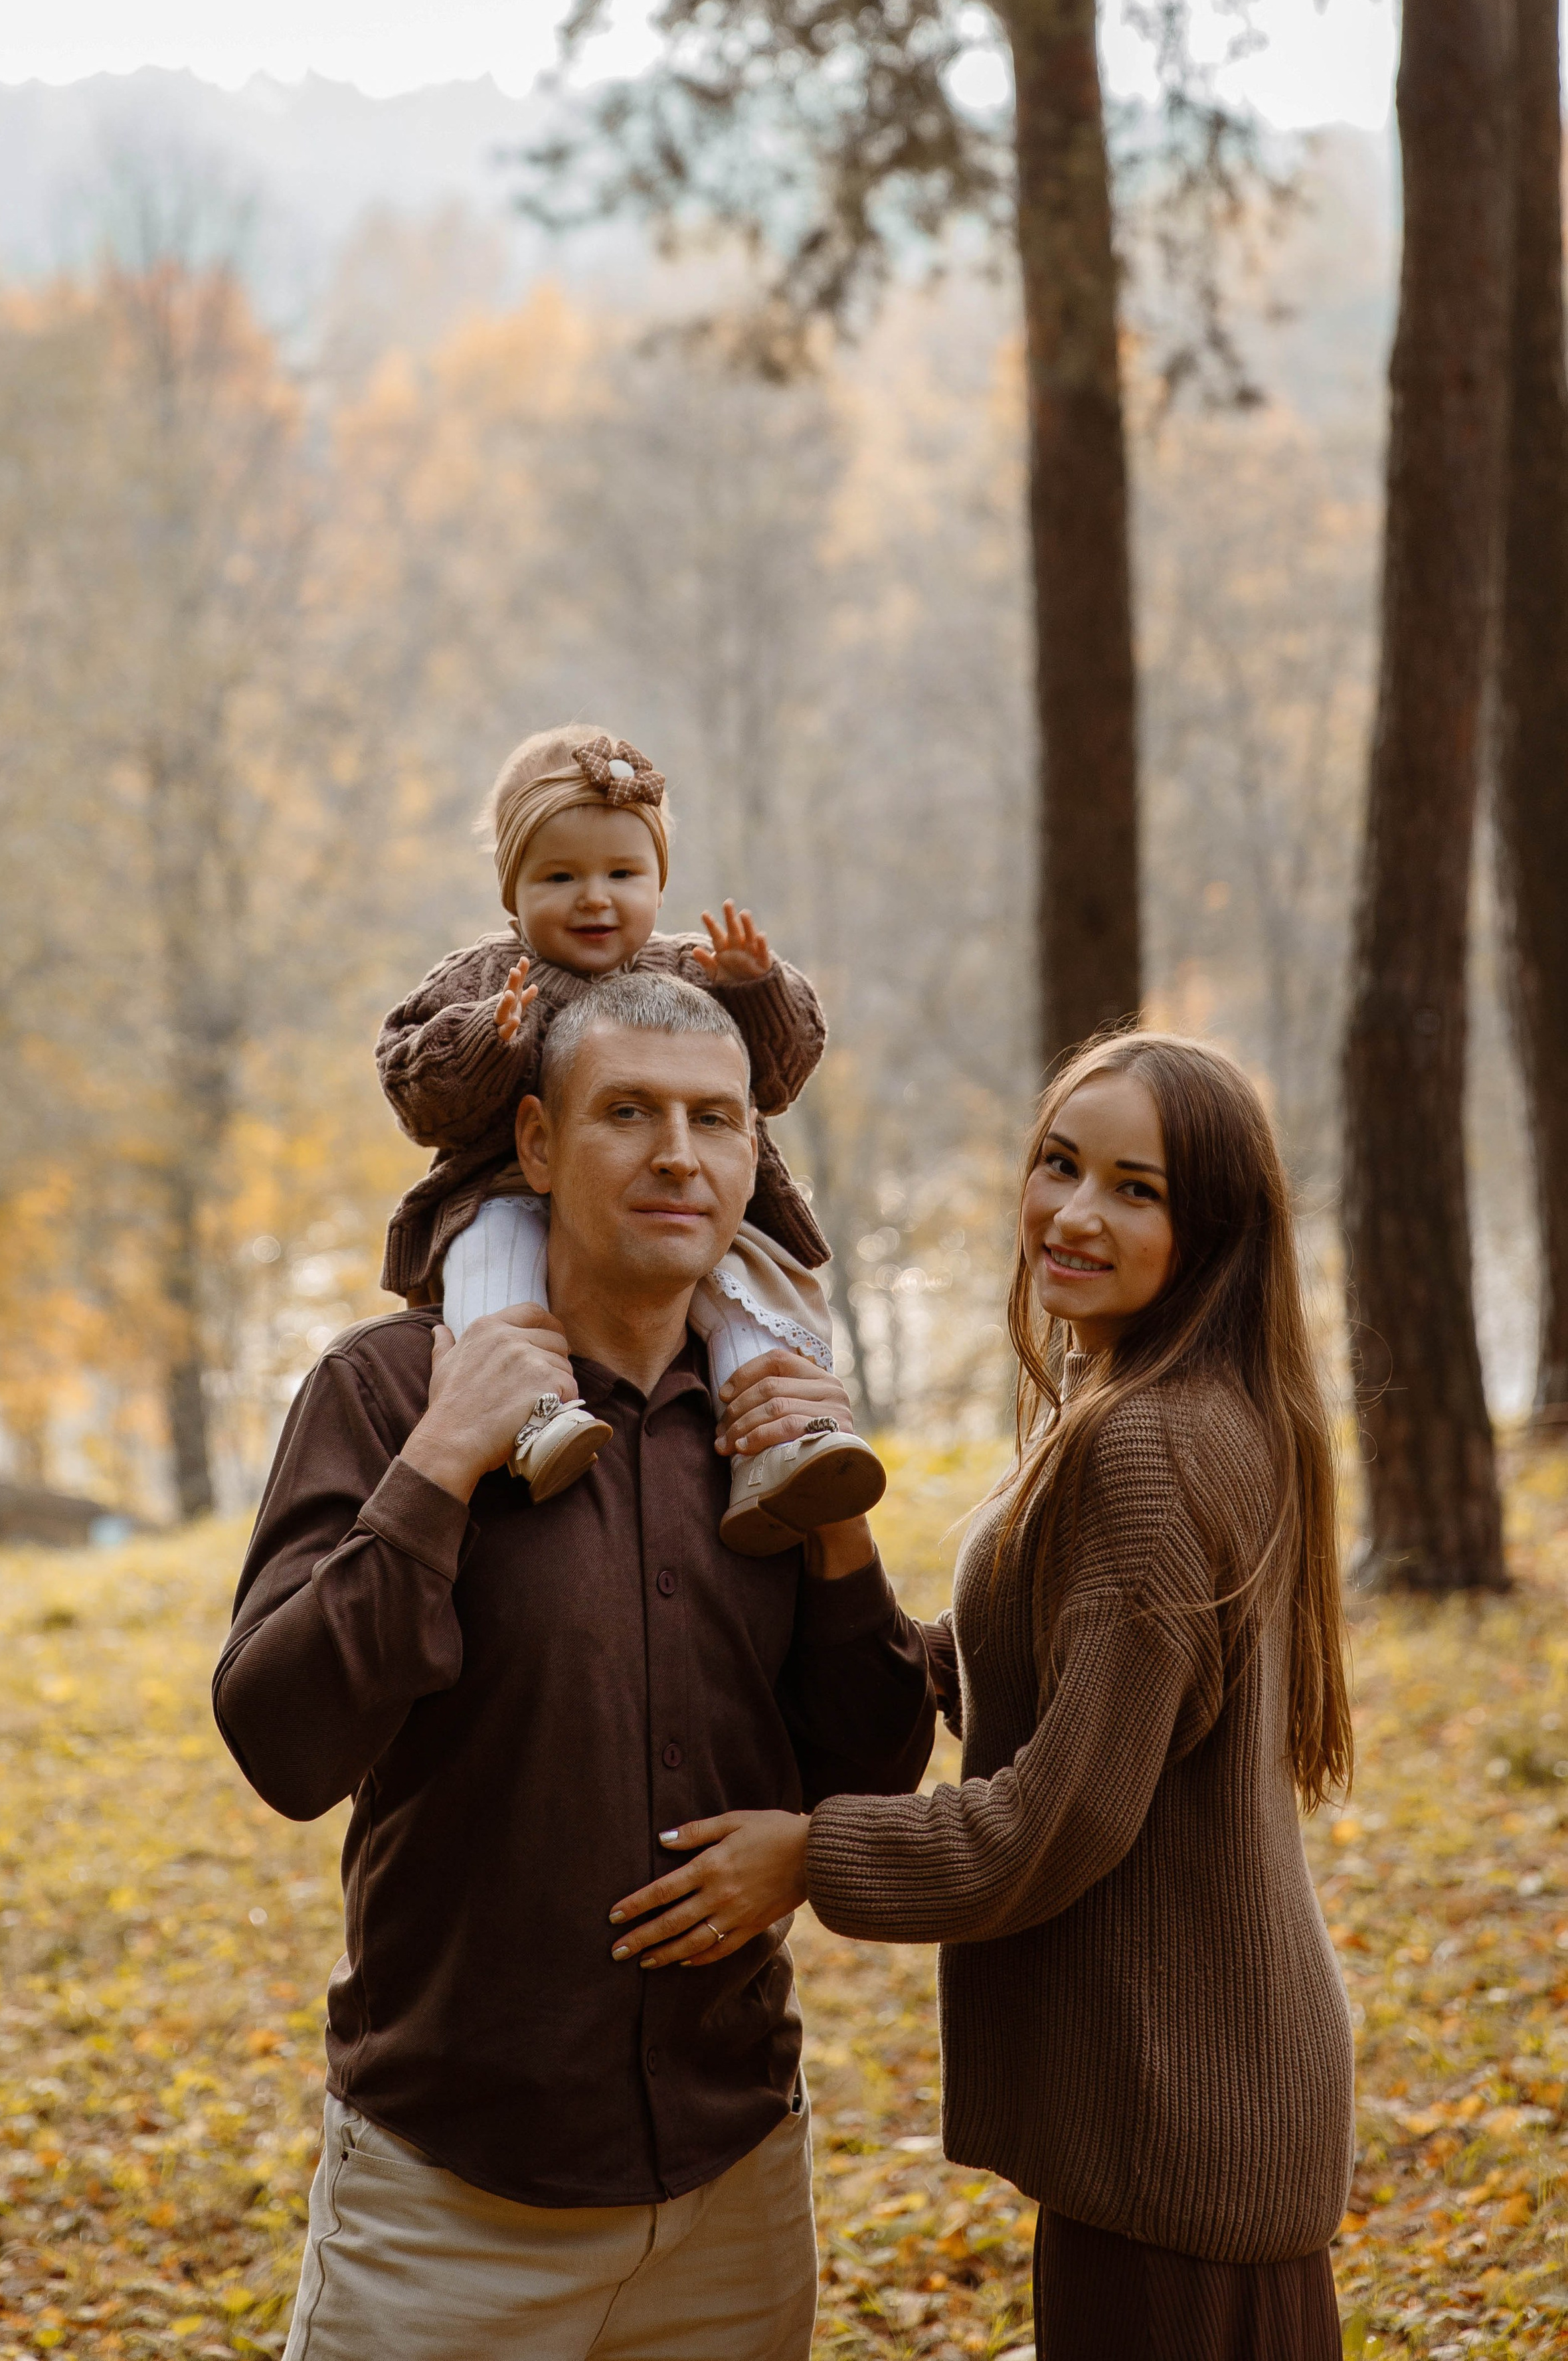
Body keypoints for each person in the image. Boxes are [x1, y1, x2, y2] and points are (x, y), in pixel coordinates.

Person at [213, 972, 936, 2361]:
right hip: (445, 2211)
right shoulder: (381, 1393)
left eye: (713, 1121)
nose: (677, 1153)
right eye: (629, 1114)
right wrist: (436, 1465)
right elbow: (281, 1745)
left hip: (731, 2197)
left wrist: (837, 1525)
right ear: (537, 1145)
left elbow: (866, 1766)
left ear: (748, 1156)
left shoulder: (780, 1420)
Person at [608, 1031, 1357, 2360]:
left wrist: (807, 1858)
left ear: (1215, 1230)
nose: (1072, 1213)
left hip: (1185, 2113)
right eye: (1058, 1165)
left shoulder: (1149, 1443)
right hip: (1184, 2105)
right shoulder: (1147, 1399)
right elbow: (1015, 1671)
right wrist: (832, 1528)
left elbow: (1052, 1820)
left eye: (1136, 1189)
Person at [373, 720, 885, 1551]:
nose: (595, 898)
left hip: (664, 1213)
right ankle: (531, 1411)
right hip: (505, 1190)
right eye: (559, 876)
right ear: (511, 893)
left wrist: (754, 988)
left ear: (660, 880)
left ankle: (780, 1439)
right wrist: (488, 1041)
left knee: (749, 1285)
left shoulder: (691, 968)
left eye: (622, 872)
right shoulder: (478, 979)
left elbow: (779, 1077)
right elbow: (414, 1093)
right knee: (490, 1265)